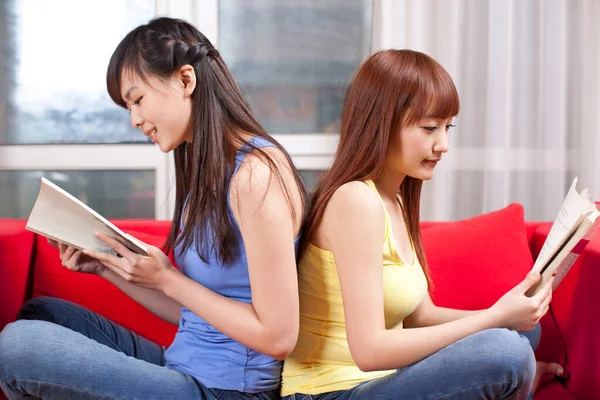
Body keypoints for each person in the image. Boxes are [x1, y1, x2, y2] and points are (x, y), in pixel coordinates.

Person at [0, 17, 307, 400]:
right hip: (184, 367)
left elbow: (279, 337)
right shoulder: (209, 171)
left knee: (17, 348)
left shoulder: (257, 174)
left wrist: (168, 279)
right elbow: (196, 317)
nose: (135, 120)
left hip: (226, 391)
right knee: (43, 313)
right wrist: (108, 268)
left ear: (185, 80)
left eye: (137, 100)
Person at [280, 49, 562, 400]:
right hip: (329, 391)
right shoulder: (355, 201)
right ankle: (517, 381)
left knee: (523, 333)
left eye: (447, 128)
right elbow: (369, 352)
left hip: (381, 381)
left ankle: (514, 381)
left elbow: (418, 317)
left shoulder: (395, 199)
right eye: (429, 128)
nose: (443, 144)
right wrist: (492, 320)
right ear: (381, 123)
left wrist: (502, 312)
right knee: (508, 351)